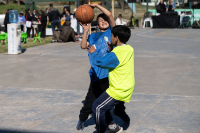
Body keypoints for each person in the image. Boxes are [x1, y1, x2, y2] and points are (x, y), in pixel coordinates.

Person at [76, 3, 129, 131]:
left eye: (105, 20)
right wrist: (85, 31)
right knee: (90, 103)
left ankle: (118, 115)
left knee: (111, 100)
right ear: (97, 25)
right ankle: (82, 119)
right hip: (95, 75)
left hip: (108, 75)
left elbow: (110, 15)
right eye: (100, 21)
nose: (104, 21)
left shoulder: (112, 32)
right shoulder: (93, 36)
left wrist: (96, 6)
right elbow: (83, 46)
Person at [87, 25, 135, 133]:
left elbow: (100, 62)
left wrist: (93, 52)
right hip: (127, 86)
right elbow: (119, 58)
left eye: (112, 36)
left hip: (119, 89)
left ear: (116, 38)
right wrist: (112, 49)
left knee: (97, 107)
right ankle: (115, 124)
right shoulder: (129, 49)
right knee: (103, 105)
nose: (110, 38)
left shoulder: (115, 54)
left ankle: (102, 131)